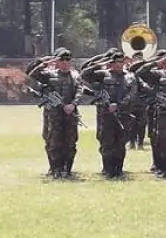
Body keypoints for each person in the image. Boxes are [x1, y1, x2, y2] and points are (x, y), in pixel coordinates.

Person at [26, 48, 81, 178]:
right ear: (57, 61)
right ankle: (55, 169)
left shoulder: (75, 76)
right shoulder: (49, 75)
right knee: (54, 141)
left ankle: (67, 170)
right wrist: (45, 63)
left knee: (70, 142)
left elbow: (80, 91)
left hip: (70, 113)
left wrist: (73, 104)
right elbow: (33, 75)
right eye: (62, 59)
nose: (65, 62)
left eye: (68, 59)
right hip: (54, 114)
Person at [80, 52, 136, 178]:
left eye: (121, 62)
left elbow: (132, 93)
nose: (119, 65)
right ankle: (108, 169)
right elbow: (84, 74)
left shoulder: (130, 76)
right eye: (116, 62)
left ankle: (118, 169)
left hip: (123, 113)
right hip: (106, 114)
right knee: (107, 142)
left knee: (121, 143)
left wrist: (119, 105)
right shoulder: (103, 75)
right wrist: (101, 62)